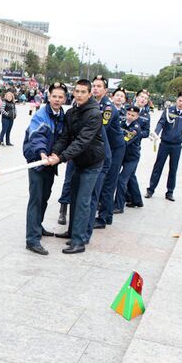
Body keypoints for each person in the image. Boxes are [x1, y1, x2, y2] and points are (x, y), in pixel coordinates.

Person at [50, 79, 105, 254]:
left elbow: (82, 141)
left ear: (90, 94)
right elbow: (65, 137)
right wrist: (55, 152)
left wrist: (61, 158)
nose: (79, 95)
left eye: (83, 92)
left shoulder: (95, 113)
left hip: (92, 162)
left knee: (83, 200)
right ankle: (73, 232)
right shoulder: (71, 113)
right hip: (78, 160)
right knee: (74, 197)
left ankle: (79, 241)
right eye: (77, 91)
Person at [22, 82, 67, 255]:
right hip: (37, 161)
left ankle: (37, 227)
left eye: (60, 97)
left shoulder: (62, 116)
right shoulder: (41, 115)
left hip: (51, 162)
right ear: (49, 97)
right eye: (54, 96)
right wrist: (41, 153)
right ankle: (32, 239)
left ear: (64, 99)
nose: (56, 99)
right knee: (36, 198)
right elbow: (36, 136)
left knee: (45, 196)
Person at [146, 91, 182, 201]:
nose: (181, 103)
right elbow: (161, 123)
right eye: (180, 100)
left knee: (173, 169)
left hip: (177, 146)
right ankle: (150, 189)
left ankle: (170, 192)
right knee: (158, 167)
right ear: (176, 100)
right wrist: (156, 133)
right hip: (165, 144)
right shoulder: (168, 111)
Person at [92, 75, 124, 230]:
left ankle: (104, 218)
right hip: (105, 146)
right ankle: (107, 215)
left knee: (108, 183)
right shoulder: (93, 103)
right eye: (94, 86)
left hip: (115, 148)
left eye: (99, 86)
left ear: (105, 90)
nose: (95, 88)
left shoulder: (108, 107)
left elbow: (101, 127)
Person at [119, 89, 151, 209]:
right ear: (136, 97)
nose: (143, 99)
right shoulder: (127, 109)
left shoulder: (146, 116)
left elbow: (146, 132)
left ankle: (133, 199)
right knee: (129, 175)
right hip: (122, 147)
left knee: (128, 175)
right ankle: (134, 199)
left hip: (133, 148)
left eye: (145, 98)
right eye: (141, 97)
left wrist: (135, 134)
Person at [115, 105, 149, 214]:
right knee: (131, 178)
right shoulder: (122, 123)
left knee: (121, 180)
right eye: (128, 114)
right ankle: (137, 201)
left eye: (133, 115)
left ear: (137, 116)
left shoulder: (136, 128)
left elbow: (124, 141)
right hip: (122, 156)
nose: (130, 116)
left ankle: (119, 206)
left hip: (132, 158)